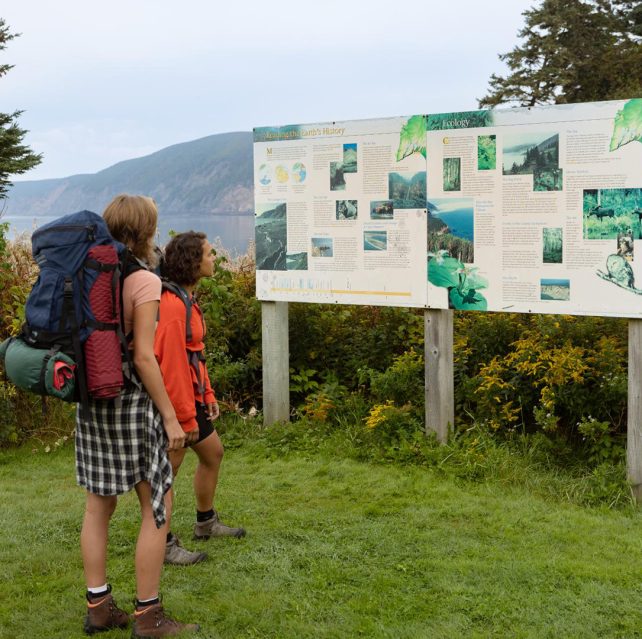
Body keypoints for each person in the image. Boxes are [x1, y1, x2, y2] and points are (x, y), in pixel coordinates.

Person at [76, 194, 199, 637]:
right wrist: (170, 416)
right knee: (157, 505)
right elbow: (144, 358)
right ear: (146, 230)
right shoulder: (143, 281)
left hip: (93, 402)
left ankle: (98, 607)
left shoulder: (87, 273)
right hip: (131, 403)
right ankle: (149, 616)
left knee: (98, 506)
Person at [154, 231, 245, 566]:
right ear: (192, 262)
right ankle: (162, 543)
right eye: (208, 253)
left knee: (213, 453)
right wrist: (183, 417)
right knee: (168, 472)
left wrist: (207, 393)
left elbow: (195, 353)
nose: (213, 258)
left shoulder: (187, 298)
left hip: (191, 396)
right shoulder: (172, 305)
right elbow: (172, 366)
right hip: (174, 401)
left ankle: (205, 522)